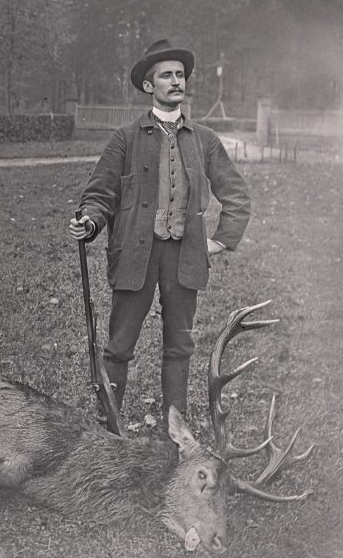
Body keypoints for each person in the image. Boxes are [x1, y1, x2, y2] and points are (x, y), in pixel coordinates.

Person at [68, 39, 250, 428]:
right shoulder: (126, 138)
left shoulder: (204, 139)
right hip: (136, 256)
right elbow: (100, 193)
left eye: (180, 75)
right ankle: (109, 428)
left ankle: (176, 429)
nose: (175, 81)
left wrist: (219, 240)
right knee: (119, 347)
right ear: (149, 86)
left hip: (184, 258)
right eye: (166, 75)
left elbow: (236, 193)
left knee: (180, 345)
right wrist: (90, 222)